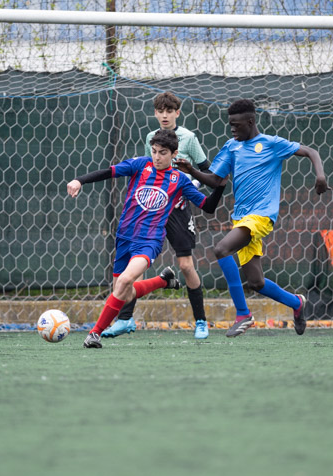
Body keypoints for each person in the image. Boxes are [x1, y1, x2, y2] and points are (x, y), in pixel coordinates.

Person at [176, 98, 329, 337]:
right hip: (242, 218)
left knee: (221, 249)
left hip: (261, 216)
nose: (232, 129)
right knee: (256, 282)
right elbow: (216, 180)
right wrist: (192, 171)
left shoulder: (271, 144)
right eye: (230, 125)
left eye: (236, 125)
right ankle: (297, 303)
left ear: (250, 122)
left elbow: (311, 151)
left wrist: (320, 176)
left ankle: (243, 314)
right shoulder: (231, 147)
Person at [67, 129, 225, 349]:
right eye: (154, 151)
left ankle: (94, 334)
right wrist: (79, 180)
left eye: (162, 153)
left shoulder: (179, 179)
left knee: (124, 281)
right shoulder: (141, 165)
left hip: (149, 241)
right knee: (125, 294)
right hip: (124, 237)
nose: (157, 157)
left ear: (174, 154)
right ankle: (163, 281)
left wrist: (220, 187)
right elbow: (108, 172)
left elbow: (208, 206)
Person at [103, 92, 214, 340]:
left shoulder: (189, 138)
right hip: (151, 209)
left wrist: (191, 186)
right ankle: (125, 319)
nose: (165, 115)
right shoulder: (151, 138)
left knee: (185, 265)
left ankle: (200, 321)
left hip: (178, 209)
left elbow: (209, 171)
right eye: (160, 111)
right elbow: (149, 170)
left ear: (177, 113)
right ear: (155, 113)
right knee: (135, 264)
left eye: (169, 111)